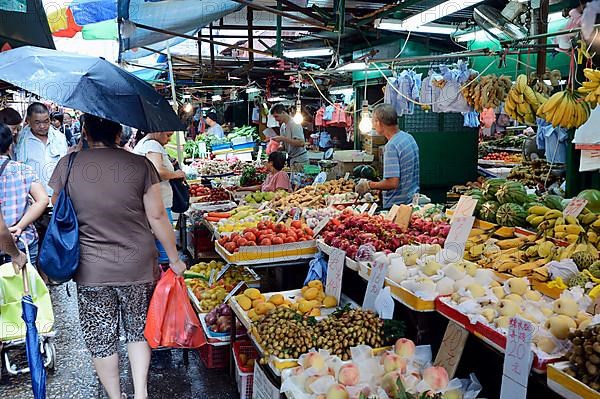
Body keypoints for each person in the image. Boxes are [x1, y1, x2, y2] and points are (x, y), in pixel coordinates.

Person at [48, 114, 186, 399]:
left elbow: (55, 205)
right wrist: (174, 258)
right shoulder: (140, 164)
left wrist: (74, 156)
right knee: (137, 330)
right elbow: (158, 216)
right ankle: (140, 393)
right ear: (119, 133)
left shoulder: (68, 164)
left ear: (84, 131)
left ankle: (114, 395)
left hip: (91, 269)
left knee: (101, 337)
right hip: (137, 265)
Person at [133, 131, 185, 267]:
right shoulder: (152, 145)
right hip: (158, 202)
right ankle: (167, 278)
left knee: (158, 240)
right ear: (157, 132)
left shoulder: (145, 143)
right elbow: (158, 171)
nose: (169, 139)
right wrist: (176, 174)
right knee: (164, 243)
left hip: (152, 201)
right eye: (167, 135)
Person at [0, 123, 48, 266]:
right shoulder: (23, 170)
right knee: (25, 287)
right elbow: (43, 200)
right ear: (10, 146)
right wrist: (20, 226)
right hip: (21, 241)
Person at [356, 104, 420, 209]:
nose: (373, 126)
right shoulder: (408, 138)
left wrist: (369, 185)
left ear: (379, 122)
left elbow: (392, 183)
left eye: (373, 122)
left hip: (397, 206)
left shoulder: (392, 146)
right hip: (411, 201)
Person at [15, 102, 68, 196]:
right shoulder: (19, 140)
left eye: (46, 121)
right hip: (32, 199)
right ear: (28, 121)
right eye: (37, 122)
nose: (42, 126)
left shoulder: (59, 138)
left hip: (57, 197)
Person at [270, 103, 308, 172]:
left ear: (283, 112)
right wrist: (276, 148)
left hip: (300, 161)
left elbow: (301, 143)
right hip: (292, 160)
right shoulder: (283, 126)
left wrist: (282, 138)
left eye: (276, 116)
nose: (276, 119)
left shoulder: (294, 124)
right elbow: (284, 145)